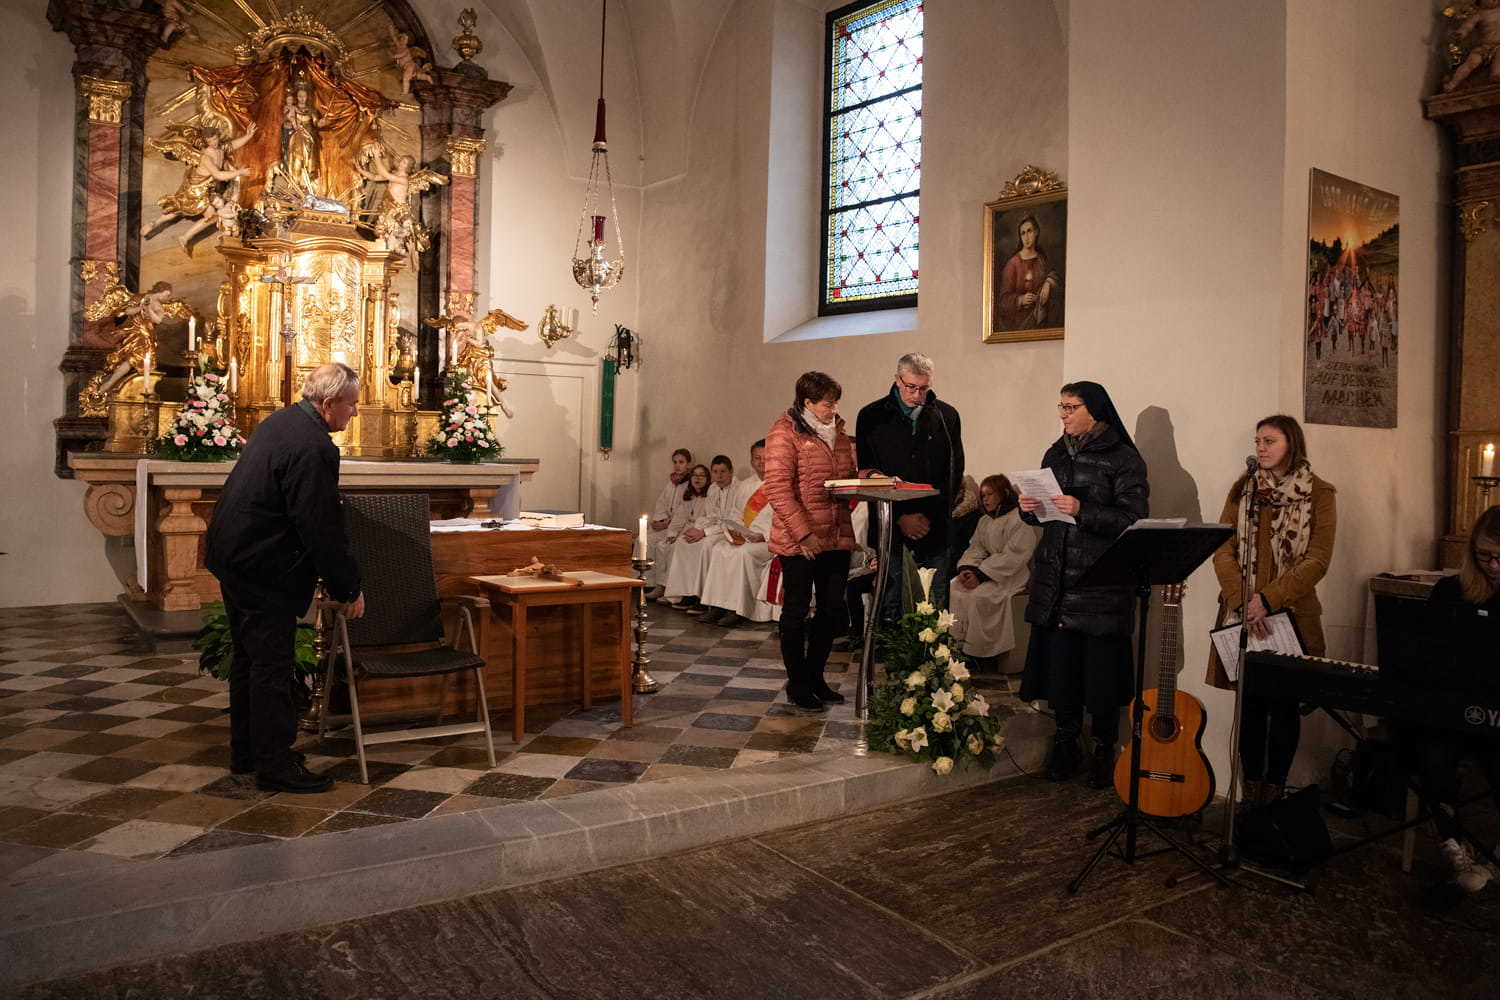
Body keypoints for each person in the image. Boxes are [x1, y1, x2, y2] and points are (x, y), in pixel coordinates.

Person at [205, 363, 365, 794]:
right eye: (351, 405)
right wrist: (348, 587)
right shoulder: (313, 446)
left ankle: (249, 754)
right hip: (264, 567)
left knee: (249, 662)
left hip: (236, 558)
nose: (354, 413)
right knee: (271, 667)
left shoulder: (282, 421)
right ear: (328, 403)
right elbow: (319, 525)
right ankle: (274, 766)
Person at [1018, 381, 1149, 787]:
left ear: (1094, 410)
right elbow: (1045, 515)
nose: (1063, 414)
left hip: (1099, 584)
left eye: (1071, 407)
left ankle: (1104, 750)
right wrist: (1029, 509)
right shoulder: (1055, 453)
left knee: (1101, 677)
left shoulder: (1124, 458)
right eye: (1061, 406)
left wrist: (1083, 509)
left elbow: (1133, 519)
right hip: (1058, 581)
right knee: (1062, 673)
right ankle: (1065, 744)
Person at [1205, 415, 1337, 808]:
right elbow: (1222, 547)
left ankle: (1275, 795)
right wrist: (1241, 599)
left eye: (1270, 441)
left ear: (1290, 444)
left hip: (1290, 615)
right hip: (1242, 615)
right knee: (1250, 705)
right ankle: (1250, 798)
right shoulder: (1243, 489)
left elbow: (1318, 559)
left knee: (1283, 707)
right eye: (1257, 441)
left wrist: (1268, 599)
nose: (1261, 448)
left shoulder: (1319, 493)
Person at [1406, 506, 1500, 892]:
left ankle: (1495, 857)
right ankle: (1453, 845)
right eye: (1484, 556)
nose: (1493, 566)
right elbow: (1425, 654)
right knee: (1429, 750)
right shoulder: (1450, 591)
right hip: (1454, 706)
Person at [765, 371, 858, 711]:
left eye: (836, 403)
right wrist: (803, 533)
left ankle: (816, 677)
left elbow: (847, 476)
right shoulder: (784, 433)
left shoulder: (840, 434)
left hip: (835, 534)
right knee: (797, 610)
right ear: (807, 402)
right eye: (827, 404)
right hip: (799, 539)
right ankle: (798, 683)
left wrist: (866, 479)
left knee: (831, 611)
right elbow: (777, 488)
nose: (834, 410)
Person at [856, 352, 964, 613]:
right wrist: (901, 517)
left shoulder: (946, 415)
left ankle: (931, 644)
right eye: (911, 387)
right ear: (897, 379)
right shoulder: (871, 416)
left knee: (934, 605)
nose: (917, 395)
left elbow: (953, 472)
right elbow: (868, 473)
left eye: (924, 388)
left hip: (933, 524)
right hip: (890, 524)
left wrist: (925, 516)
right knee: (890, 603)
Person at [950, 475, 1040, 673]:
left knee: (981, 596)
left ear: (1004, 493)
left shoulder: (1019, 519)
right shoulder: (985, 520)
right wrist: (967, 569)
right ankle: (960, 649)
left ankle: (983, 655)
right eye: (982, 496)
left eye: (989, 494)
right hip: (988, 570)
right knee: (955, 587)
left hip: (1011, 574)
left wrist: (981, 575)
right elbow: (976, 548)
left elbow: (1015, 555)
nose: (985, 500)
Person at [699, 441, 776, 628]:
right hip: (746, 537)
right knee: (719, 549)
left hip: (769, 541)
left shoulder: (780, 485)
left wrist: (763, 536)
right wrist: (735, 532)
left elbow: (784, 519)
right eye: (757, 458)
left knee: (743, 554)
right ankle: (718, 605)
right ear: (751, 461)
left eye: (766, 458)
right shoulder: (746, 485)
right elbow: (735, 514)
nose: (762, 462)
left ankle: (738, 609)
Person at [664, 455, 736, 612]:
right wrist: (697, 528)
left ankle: (702, 597)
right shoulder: (713, 488)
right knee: (683, 542)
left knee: (706, 546)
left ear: (731, 471)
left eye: (723, 471)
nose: (719, 476)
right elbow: (709, 516)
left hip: (729, 530)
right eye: (715, 472)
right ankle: (687, 592)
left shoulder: (739, 488)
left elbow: (732, 520)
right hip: (713, 528)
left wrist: (704, 532)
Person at [657, 464, 711, 607]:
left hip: (699, 531)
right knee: (664, 545)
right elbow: (679, 518)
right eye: (695, 475)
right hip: (685, 529)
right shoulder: (688, 496)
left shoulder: (710, 496)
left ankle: (677, 593)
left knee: (677, 548)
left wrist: (698, 530)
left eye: (701, 475)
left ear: (707, 479)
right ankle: (662, 586)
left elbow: (710, 518)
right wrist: (672, 533)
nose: (697, 478)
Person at [997, 214, 1061, 331]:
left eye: (1029, 231)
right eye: (1023, 233)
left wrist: (1048, 282)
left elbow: (1055, 276)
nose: (1026, 237)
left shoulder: (1042, 259)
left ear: (1036, 232)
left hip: (1041, 321)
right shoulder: (1013, 264)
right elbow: (1002, 301)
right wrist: (1020, 300)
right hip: (1020, 324)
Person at [644, 448, 692, 598]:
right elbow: (662, 503)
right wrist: (658, 520)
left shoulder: (690, 484)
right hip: (667, 524)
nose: (677, 465)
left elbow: (685, 511)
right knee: (645, 539)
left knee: (661, 545)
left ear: (688, 464)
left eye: (681, 462)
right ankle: (647, 582)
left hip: (678, 527)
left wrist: (667, 525)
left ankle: (661, 585)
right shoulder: (671, 483)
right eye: (675, 462)